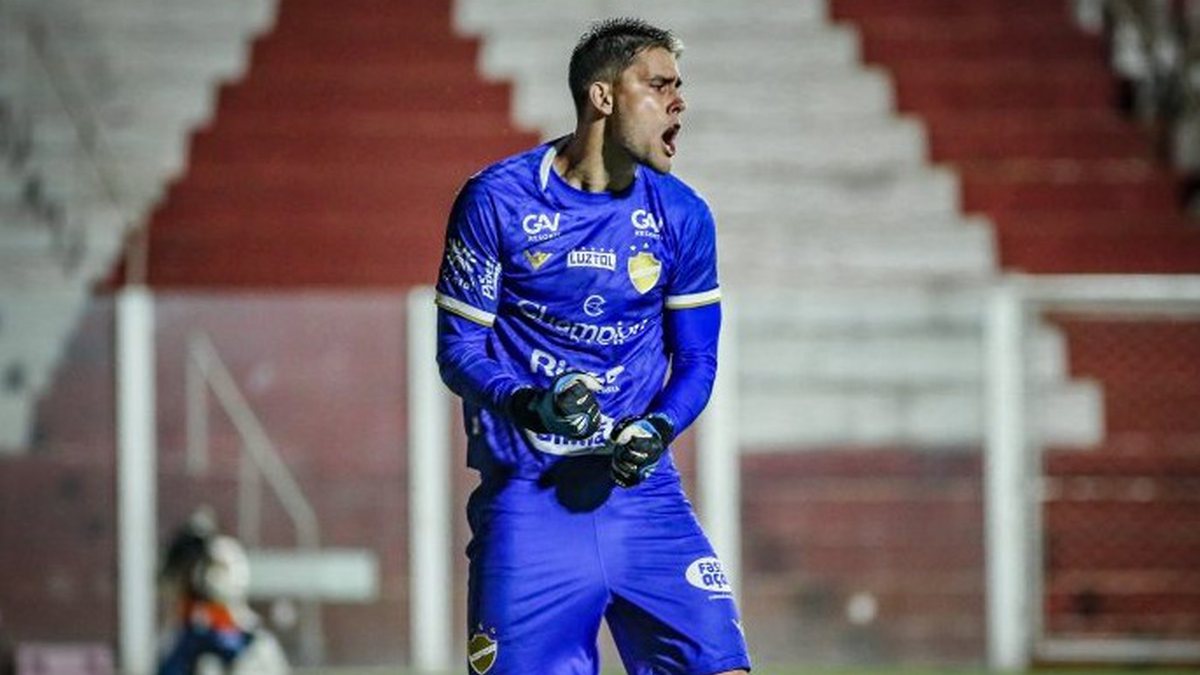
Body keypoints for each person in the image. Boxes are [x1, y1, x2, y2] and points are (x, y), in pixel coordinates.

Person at [434, 17, 751, 675]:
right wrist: (529, 403)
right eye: (660, 84)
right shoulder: (496, 200)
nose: (679, 102)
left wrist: (659, 426)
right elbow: (459, 348)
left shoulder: (684, 215)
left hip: (644, 499)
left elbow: (696, 360)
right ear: (602, 97)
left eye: (679, 87)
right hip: (530, 501)